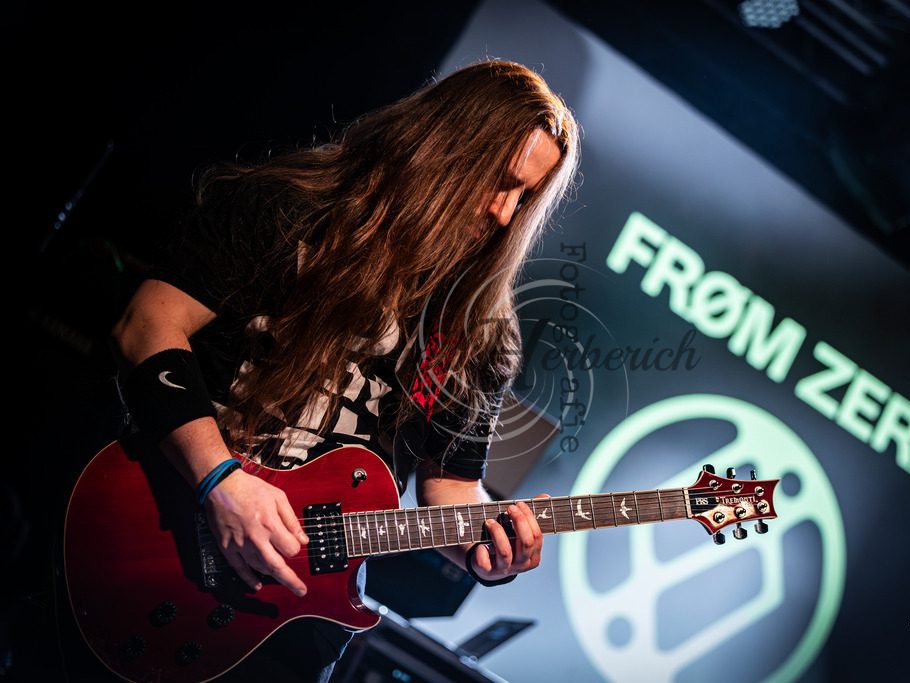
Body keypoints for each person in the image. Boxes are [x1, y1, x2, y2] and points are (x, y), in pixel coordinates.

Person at [109, 59, 580, 680]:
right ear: (444, 145)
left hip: (294, 623)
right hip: (162, 531)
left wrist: (487, 549)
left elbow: (449, 487)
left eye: (522, 198)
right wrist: (218, 480)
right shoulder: (286, 209)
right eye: (498, 180)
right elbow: (146, 325)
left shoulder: (479, 332)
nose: (502, 213)